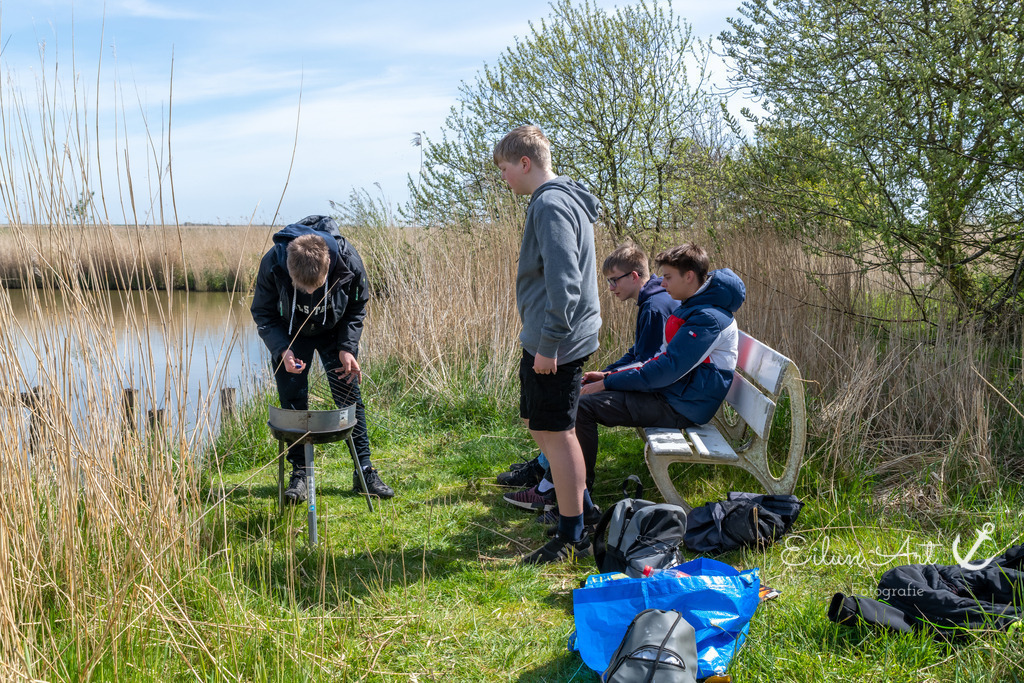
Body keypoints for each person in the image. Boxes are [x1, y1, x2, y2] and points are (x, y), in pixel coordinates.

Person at [499, 243, 677, 519]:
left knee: (578, 404)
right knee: (577, 396)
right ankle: (547, 471)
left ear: (634, 276)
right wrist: (607, 373)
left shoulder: (655, 307)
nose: (610, 288)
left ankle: (566, 489)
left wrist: (607, 380)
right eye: (607, 281)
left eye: (614, 280)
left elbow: (649, 363)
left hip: (664, 395)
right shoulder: (651, 301)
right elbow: (639, 355)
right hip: (657, 388)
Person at [494, 125, 601, 565]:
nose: (504, 180)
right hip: (550, 335)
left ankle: (571, 533)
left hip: (557, 340)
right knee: (544, 428)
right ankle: (586, 510)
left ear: (525, 162)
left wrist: (551, 343)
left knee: (556, 433)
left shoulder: (552, 205)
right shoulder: (559, 199)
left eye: (504, 170)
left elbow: (565, 283)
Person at [250, 215, 394, 503]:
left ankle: (364, 471)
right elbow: (263, 313)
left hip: (335, 333)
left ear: (328, 265)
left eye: (317, 288)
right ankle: (300, 473)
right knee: (293, 400)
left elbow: (357, 305)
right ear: (289, 270)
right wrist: (282, 350)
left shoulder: (348, 260)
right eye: (304, 290)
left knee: (348, 396)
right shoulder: (272, 263)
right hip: (291, 335)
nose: (311, 295)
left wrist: (347, 347)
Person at [578, 243, 745, 476]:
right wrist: (608, 376)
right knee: (584, 399)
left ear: (689, 276)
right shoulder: (694, 307)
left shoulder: (707, 319)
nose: (662, 283)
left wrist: (607, 383)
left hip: (683, 406)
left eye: (667, 277)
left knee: (581, 408)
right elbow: (659, 360)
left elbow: (666, 369)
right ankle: (563, 486)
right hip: (675, 395)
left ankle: (577, 494)